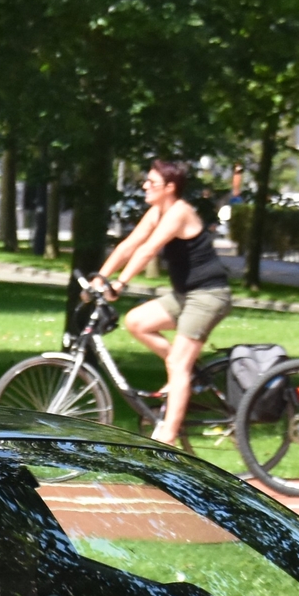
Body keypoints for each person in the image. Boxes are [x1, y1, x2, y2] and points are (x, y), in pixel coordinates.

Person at [93, 158, 233, 447]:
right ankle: (186, 376)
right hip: (185, 295)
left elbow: (148, 250)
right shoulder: (158, 211)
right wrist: (100, 278)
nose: (145, 185)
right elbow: (130, 244)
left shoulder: (179, 212)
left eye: (151, 182)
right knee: (136, 322)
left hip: (208, 295)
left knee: (178, 366)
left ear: (170, 187)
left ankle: (167, 439)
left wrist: (119, 283)